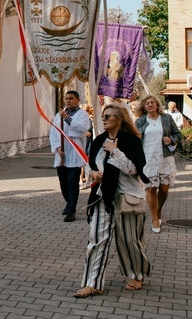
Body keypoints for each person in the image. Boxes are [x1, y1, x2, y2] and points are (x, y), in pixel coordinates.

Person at [75, 103, 150, 298]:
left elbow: (134, 169)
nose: (104, 119)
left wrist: (115, 151)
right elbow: (90, 164)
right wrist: (93, 173)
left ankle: (136, 275)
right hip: (103, 196)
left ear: (120, 119)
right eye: (103, 115)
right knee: (97, 240)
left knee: (129, 240)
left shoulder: (131, 140)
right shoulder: (99, 140)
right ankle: (93, 283)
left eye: (109, 116)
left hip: (126, 196)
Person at [135, 95, 181, 233]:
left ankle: (158, 210)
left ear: (157, 105)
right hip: (148, 158)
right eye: (147, 103)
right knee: (151, 188)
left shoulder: (166, 118)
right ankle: (154, 218)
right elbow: (135, 139)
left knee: (164, 188)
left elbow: (178, 134)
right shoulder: (140, 121)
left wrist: (171, 140)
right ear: (144, 106)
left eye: (152, 102)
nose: (150, 105)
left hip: (165, 158)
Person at [49, 91, 89, 221]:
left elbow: (82, 129)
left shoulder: (82, 114)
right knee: (63, 182)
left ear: (77, 100)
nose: (68, 101)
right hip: (62, 154)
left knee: (72, 182)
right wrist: (57, 147)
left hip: (74, 153)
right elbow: (53, 133)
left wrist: (67, 118)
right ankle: (68, 202)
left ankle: (72, 209)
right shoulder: (58, 115)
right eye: (66, 98)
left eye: (71, 98)